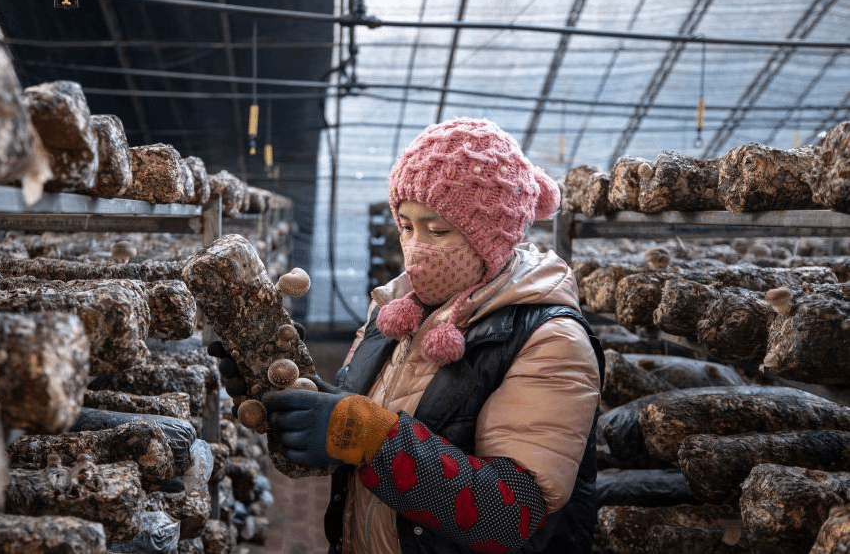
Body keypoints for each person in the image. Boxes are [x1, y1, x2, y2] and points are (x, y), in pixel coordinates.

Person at [220, 117, 604, 554]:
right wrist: (297, 399)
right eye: (406, 225)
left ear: (494, 235)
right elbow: (359, 427)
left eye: (437, 229)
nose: (416, 246)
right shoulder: (395, 308)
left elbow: (511, 513)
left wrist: (366, 436)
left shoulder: (551, 340)